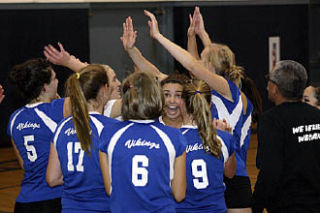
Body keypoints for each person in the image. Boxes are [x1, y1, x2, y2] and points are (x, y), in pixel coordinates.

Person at [99, 72, 187, 212]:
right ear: (157, 98)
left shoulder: (109, 134)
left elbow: (110, 189)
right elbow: (179, 194)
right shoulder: (174, 137)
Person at [46, 64, 117, 213]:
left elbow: (52, 179)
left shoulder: (61, 127)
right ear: (104, 89)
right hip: (104, 207)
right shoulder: (112, 128)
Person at [252, 60, 320, 213]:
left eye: (268, 80)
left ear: (275, 88)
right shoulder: (317, 116)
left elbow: (269, 170)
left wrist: (256, 206)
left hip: (286, 206)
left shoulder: (271, 120)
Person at [7, 58, 72, 213]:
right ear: (44, 87)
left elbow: (24, 164)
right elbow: (93, 88)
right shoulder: (57, 109)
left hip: (24, 202)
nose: (57, 82)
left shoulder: (15, 118)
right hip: (54, 200)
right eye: (54, 78)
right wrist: (69, 61)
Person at [176, 78, 236, 212]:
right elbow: (230, 174)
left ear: (181, 103)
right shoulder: (224, 139)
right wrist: (225, 135)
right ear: (210, 104)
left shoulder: (171, 140)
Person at [43, 42, 122, 119]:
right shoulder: (108, 109)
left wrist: (70, 62)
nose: (119, 83)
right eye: (114, 79)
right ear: (103, 88)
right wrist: (70, 62)